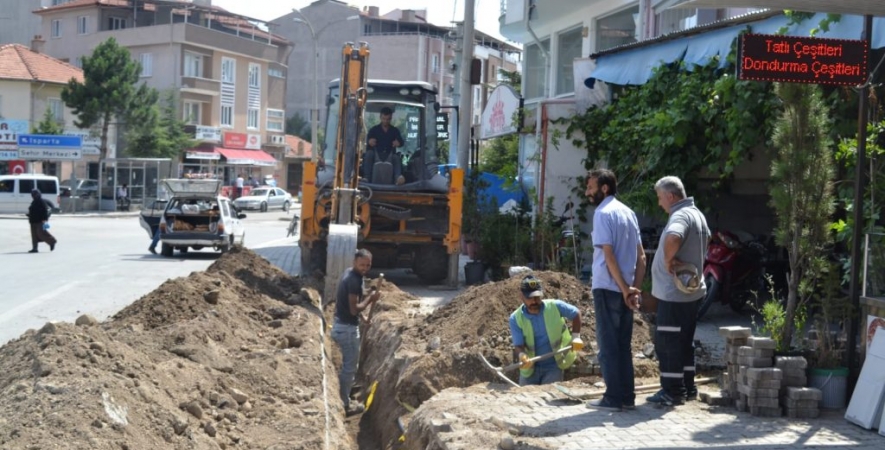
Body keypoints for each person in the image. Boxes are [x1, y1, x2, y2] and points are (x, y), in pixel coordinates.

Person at [584, 169, 646, 411]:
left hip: (608, 288)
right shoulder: (629, 213)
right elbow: (642, 257)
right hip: (625, 289)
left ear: (604, 188)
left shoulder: (602, 213)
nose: (587, 193)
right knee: (623, 345)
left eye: (590, 187)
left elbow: (608, 256)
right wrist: (633, 289)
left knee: (608, 345)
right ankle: (627, 397)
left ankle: (612, 398)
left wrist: (624, 289)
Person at [648, 176, 710, 407]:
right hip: (690, 292)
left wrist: (667, 260)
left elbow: (674, 236)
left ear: (671, 196)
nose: (659, 203)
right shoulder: (697, 214)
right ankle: (687, 387)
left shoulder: (681, 215)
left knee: (667, 342)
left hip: (674, 294)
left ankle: (673, 392)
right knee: (684, 341)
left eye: (660, 197)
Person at [509, 275, 583, 386]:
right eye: (530, 298)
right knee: (526, 396)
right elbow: (518, 346)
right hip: (530, 368)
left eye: (537, 297)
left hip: (553, 367)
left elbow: (576, 314)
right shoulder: (516, 318)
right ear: (521, 296)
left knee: (550, 395)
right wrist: (522, 356)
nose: (534, 301)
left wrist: (576, 337)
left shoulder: (554, 307)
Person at [332, 249, 381, 415]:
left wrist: (363, 317)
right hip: (347, 330)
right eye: (362, 265)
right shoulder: (353, 280)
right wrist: (370, 299)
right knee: (350, 367)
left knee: (349, 365)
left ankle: (345, 390)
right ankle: (345, 404)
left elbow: (350, 306)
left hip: (341, 325)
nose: (365, 268)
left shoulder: (350, 273)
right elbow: (354, 309)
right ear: (354, 262)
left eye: (368, 265)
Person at [362, 107, 405, 185]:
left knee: (396, 157)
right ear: (380, 117)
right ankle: (366, 177)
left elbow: (401, 142)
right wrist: (370, 142)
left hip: (390, 156)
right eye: (384, 119)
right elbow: (367, 141)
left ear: (391, 118)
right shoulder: (374, 130)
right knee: (369, 154)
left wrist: (398, 143)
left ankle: (398, 178)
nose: (385, 121)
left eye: (388, 119)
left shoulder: (395, 131)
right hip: (376, 155)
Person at [26, 189, 56, 253]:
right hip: (33, 221)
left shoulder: (41, 202)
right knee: (34, 236)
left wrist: (45, 220)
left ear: (38, 194)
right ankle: (35, 248)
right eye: (33, 194)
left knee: (41, 234)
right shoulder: (33, 202)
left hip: (40, 221)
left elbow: (45, 211)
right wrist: (29, 215)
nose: (33, 196)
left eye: (35, 194)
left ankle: (52, 241)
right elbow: (32, 210)